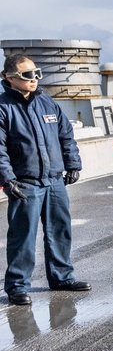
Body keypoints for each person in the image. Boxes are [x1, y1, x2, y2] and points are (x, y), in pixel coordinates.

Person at [0, 54, 90, 306]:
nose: (35, 79)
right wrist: (7, 179)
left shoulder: (48, 103)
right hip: (25, 183)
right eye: (27, 75)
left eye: (37, 73)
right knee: (23, 236)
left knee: (60, 231)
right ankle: (17, 286)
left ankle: (62, 277)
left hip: (54, 181)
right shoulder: (3, 108)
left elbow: (66, 136)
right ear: (9, 78)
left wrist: (72, 164)